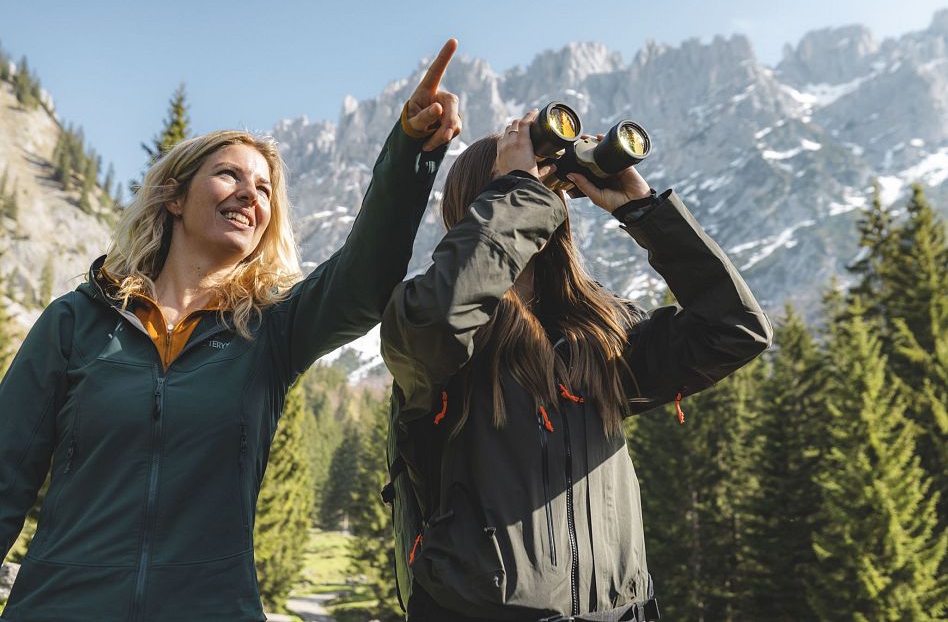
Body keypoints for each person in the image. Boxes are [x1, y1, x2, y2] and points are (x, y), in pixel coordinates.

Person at [0, 39, 462, 621]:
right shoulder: (75, 322)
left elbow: (363, 281)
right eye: (228, 175)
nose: (250, 193)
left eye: (265, 188)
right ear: (173, 197)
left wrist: (411, 148)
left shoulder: (271, 330)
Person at [381, 109, 773, 622]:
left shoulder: (600, 334)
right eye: (522, 185)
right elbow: (444, 316)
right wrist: (519, 185)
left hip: (622, 610)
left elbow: (736, 330)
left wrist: (643, 209)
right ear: (487, 201)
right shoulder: (431, 329)